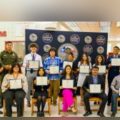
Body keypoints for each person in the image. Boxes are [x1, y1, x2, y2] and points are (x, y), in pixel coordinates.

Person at [0, 41, 18, 110]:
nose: (9, 46)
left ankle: (12, 102)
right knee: (3, 87)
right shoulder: (2, 53)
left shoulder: (14, 54)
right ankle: (1, 102)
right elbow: (0, 61)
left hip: (12, 73)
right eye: (8, 45)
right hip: (3, 73)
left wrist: (12, 66)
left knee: (12, 87)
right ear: (5, 46)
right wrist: (4, 66)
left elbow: (18, 61)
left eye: (11, 45)